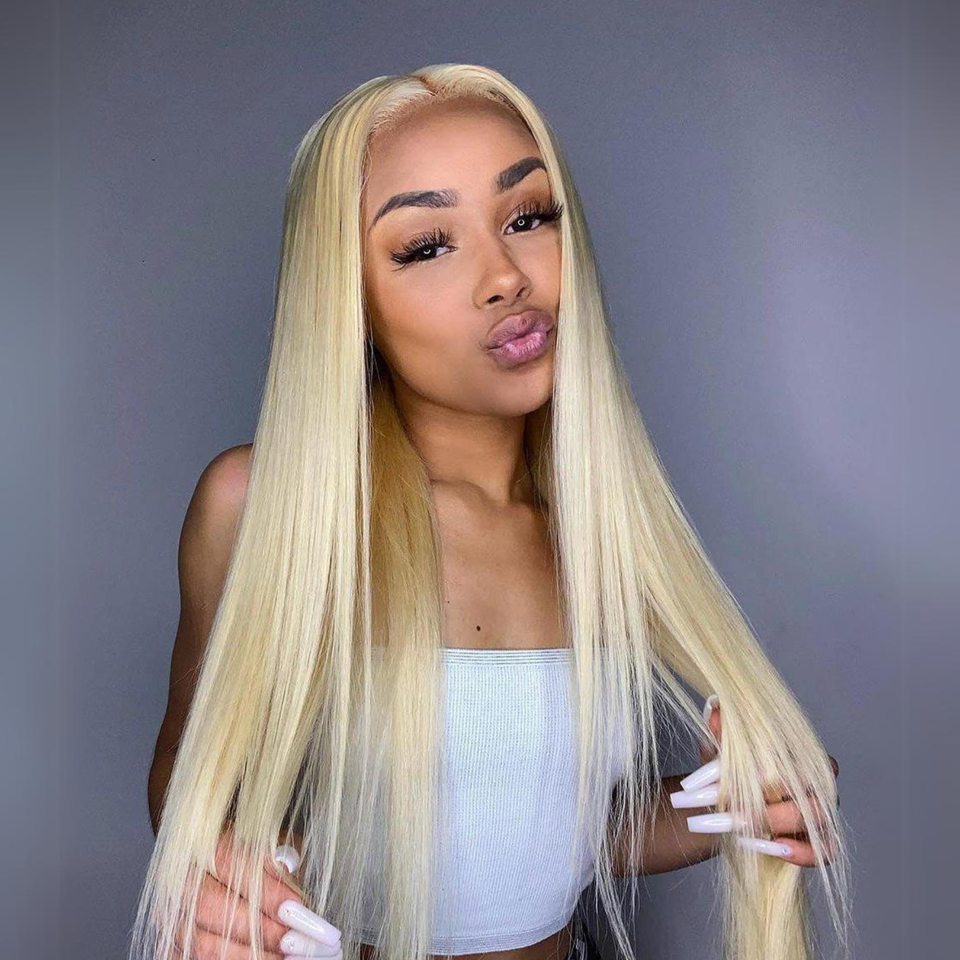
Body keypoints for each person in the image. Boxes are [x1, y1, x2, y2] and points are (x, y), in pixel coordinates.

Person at [135, 65, 848, 960]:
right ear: (347, 298)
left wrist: (739, 801)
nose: (506, 276)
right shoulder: (262, 510)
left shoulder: (602, 531)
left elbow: (550, 845)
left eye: (527, 216)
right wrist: (220, 877)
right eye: (427, 245)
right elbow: (188, 775)